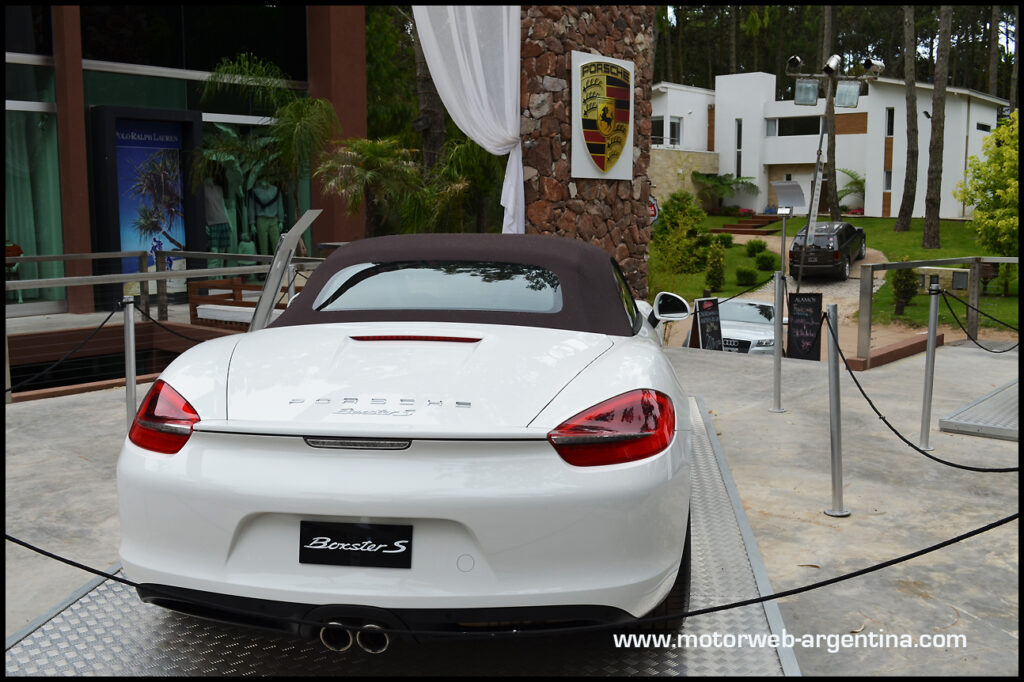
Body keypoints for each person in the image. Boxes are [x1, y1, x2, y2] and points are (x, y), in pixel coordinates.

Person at [204, 176, 232, 274]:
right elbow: (201, 208)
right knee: (214, 252)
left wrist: (230, 222)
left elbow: (223, 205)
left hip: (223, 221)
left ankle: (220, 275)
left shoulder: (219, 189)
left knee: (222, 253)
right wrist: (204, 223)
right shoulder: (203, 190)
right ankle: (213, 276)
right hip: (212, 223)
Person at [248, 179, 284, 256]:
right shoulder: (256, 191)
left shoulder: (275, 190)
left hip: (273, 219)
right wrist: (252, 223)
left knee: (276, 243)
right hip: (261, 218)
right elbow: (251, 207)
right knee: (263, 244)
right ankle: (264, 265)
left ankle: (277, 263)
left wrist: (281, 220)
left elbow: (279, 205)